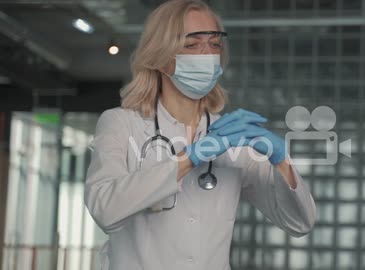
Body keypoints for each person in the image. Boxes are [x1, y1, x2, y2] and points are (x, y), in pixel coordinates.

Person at [84, 0, 316, 269]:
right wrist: (190, 157)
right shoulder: (121, 123)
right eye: (192, 45)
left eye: (214, 45)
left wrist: (281, 160)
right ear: (159, 55)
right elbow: (105, 210)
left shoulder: (233, 136)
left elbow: (299, 223)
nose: (206, 54)